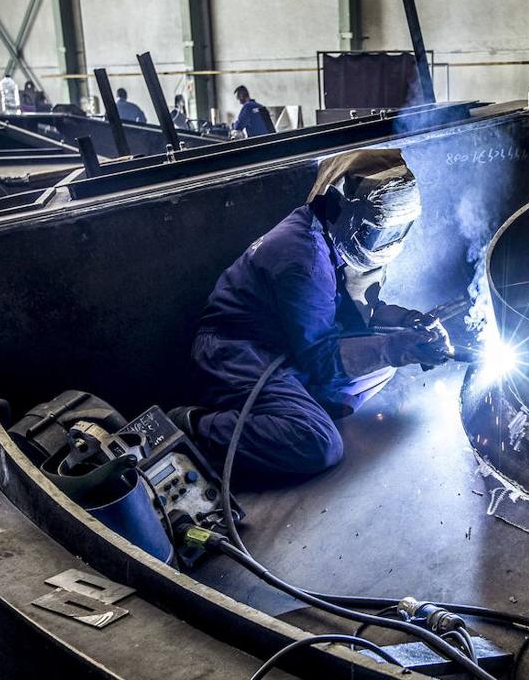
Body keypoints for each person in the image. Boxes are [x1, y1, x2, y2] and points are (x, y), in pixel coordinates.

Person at [175, 149, 450, 486]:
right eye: (376, 234)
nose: (385, 244)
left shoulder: (332, 234)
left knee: (381, 367)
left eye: (395, 232)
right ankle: (195, 425)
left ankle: (291, 409)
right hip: (236, 353)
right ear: (342, 208)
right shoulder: (303, 258)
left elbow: (364, 313)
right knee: (319, 445)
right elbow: (322, 356)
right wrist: (393, 347)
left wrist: (409, 323)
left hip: (287, 344)